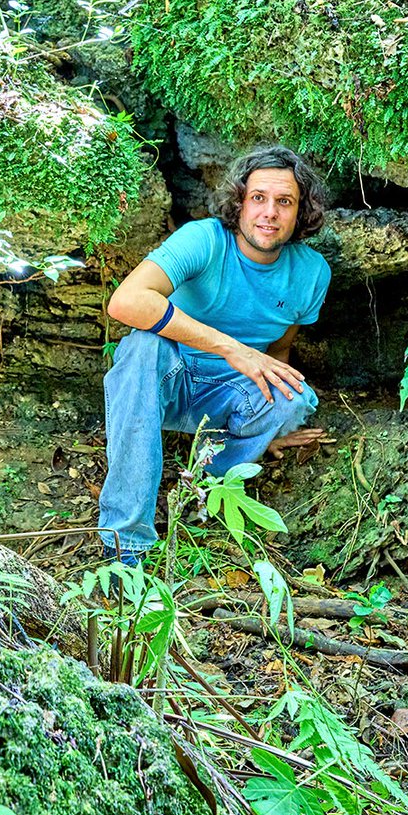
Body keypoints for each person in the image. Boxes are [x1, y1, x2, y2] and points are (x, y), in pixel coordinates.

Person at [99, 145, 332, 563]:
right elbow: (126, 302)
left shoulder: (312, 272)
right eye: (258, 197)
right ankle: (126, 545)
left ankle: (208, 485)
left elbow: (280, 351)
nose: (269, 212)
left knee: (293, 394)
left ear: (302, 213)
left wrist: (270, 429)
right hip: (169, 378)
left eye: (285, 202)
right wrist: (230, 347)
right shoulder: (204, 239)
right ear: (239, 201)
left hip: (228, 395)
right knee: (143, 346)